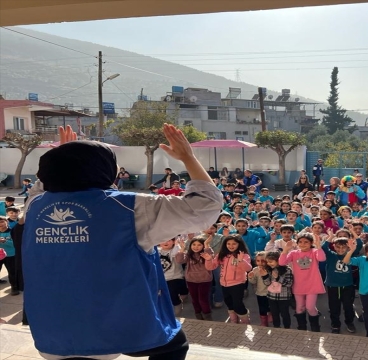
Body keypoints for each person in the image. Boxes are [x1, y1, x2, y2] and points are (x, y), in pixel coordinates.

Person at [22, 124, 223, 359]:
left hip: (53, 333)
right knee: (174, 344)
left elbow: (44, 186)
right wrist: (188, 158)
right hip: (114, 328)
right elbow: (205, 206)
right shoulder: (131, 207)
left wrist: (67, 156)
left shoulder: (34, 206)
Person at [279, 233, 326, 332]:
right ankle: (302, 326)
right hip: (298, 284)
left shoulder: (314, 251)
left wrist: (318, 246)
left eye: (306, 242)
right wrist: (285, 250)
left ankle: (315, 327)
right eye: (300, 242)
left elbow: (322, 258)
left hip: (312, 284)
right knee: (299, 307)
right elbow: (282, 263)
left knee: (310, 307)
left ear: (311, 243)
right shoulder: (294, 253)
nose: (303, 244)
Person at [175, 236, 217, 320]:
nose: (196, 247)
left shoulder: (205, 253)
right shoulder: (188, 254)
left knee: (203, 299)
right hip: (191, 280)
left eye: (199, 245)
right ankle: (198, 315)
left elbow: (210, 255)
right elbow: (179, 260)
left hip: (204, 280)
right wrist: (182, 248)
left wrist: (206, 244)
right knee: (194, 300)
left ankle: (207, 316)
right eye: (193, 244)